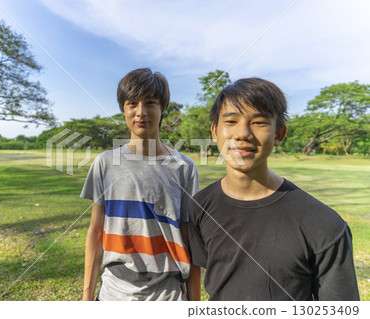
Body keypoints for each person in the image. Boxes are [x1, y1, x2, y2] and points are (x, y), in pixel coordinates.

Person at [188, 77, 360, 301]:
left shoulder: (324, 224)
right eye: (231, 121)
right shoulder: (199, 208)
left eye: (259, 122)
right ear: (214, 131)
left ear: (279, 134)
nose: (242, 134)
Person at [81, 68, 200, 301]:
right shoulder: (105, 163)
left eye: (151, 102)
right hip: (113, 294)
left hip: (168, 295)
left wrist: (194, 303)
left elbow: (189, 240)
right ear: (123, 109)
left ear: (163, 108)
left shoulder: (184, 167)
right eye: (132, 103)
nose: (141, 112)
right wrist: (86, 297)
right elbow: (96, 233)